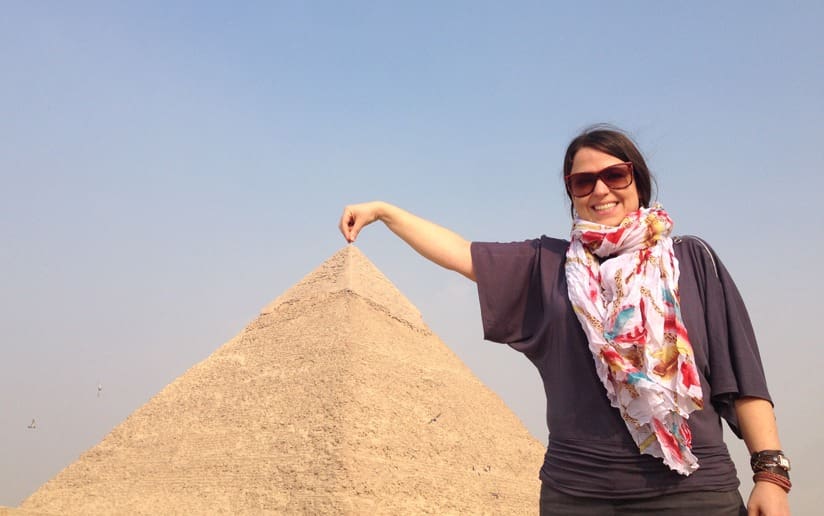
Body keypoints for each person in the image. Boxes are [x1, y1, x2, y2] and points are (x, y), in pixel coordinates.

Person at [338, 126, 791, 515]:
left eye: (615, 174)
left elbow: (743, 375)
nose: (601, 190)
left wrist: (770, 474)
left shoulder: (691, 260)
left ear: (639, 180)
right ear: (571, 192)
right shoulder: (547, 264)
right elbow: (461, 253)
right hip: (579, 493)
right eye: (583, 181)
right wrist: (384, 211)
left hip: (693, 492)